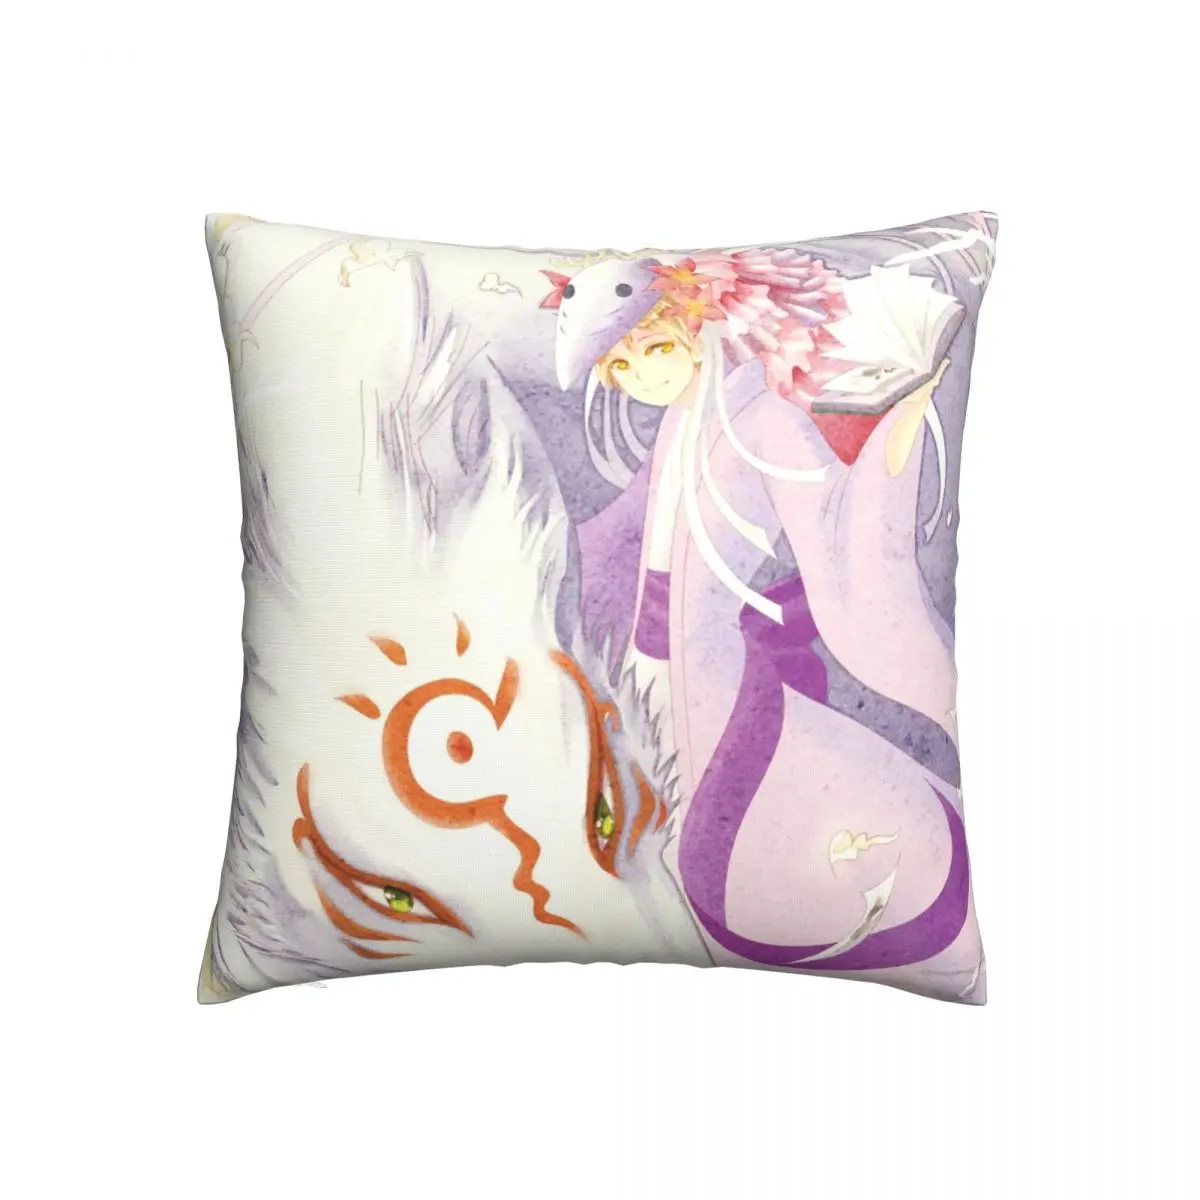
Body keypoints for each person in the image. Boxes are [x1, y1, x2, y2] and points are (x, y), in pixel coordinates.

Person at [544, 249, 983, 998]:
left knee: (735, 853)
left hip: (716, 677)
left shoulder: (764, 417)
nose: (643, 375)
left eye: (655, 349)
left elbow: (841, 536)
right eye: (621, 367)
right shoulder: (687, 419)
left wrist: (901, 423)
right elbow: (627, 541)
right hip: (655, 670)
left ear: (695, 327)